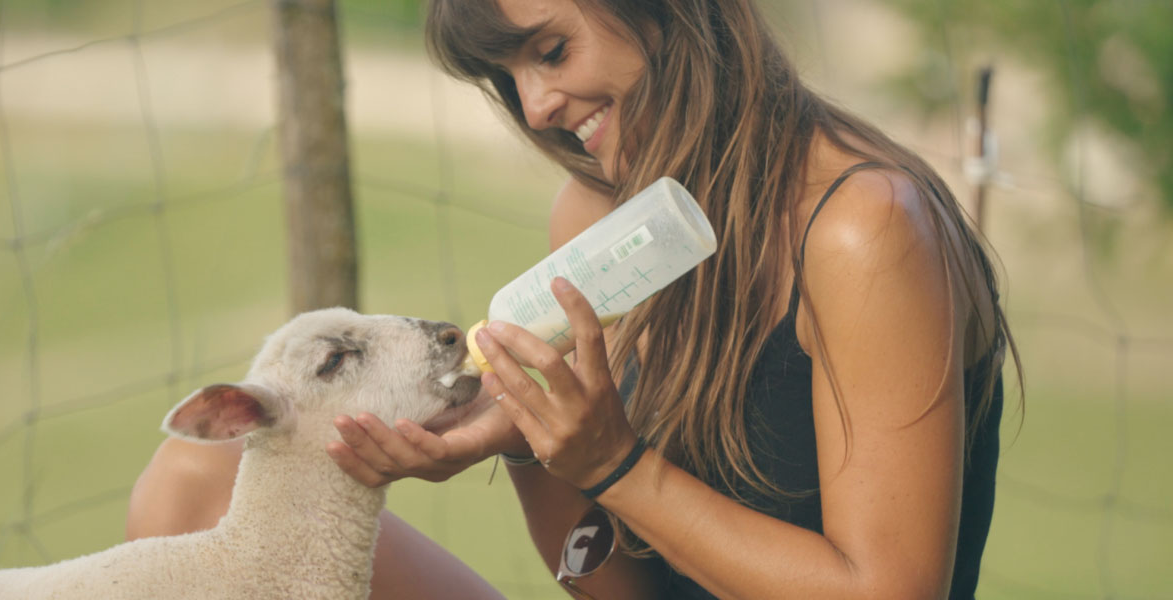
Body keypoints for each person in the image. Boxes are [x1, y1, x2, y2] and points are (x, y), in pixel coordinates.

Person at [128, 0, 1019, 598]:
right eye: (507, 77)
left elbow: (887, 593)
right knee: (197, 480)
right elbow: (614, 590)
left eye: (549, 51)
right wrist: (528, 442)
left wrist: (617, 467)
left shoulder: (865, 231)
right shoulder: (604, 219)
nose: (536, 106)